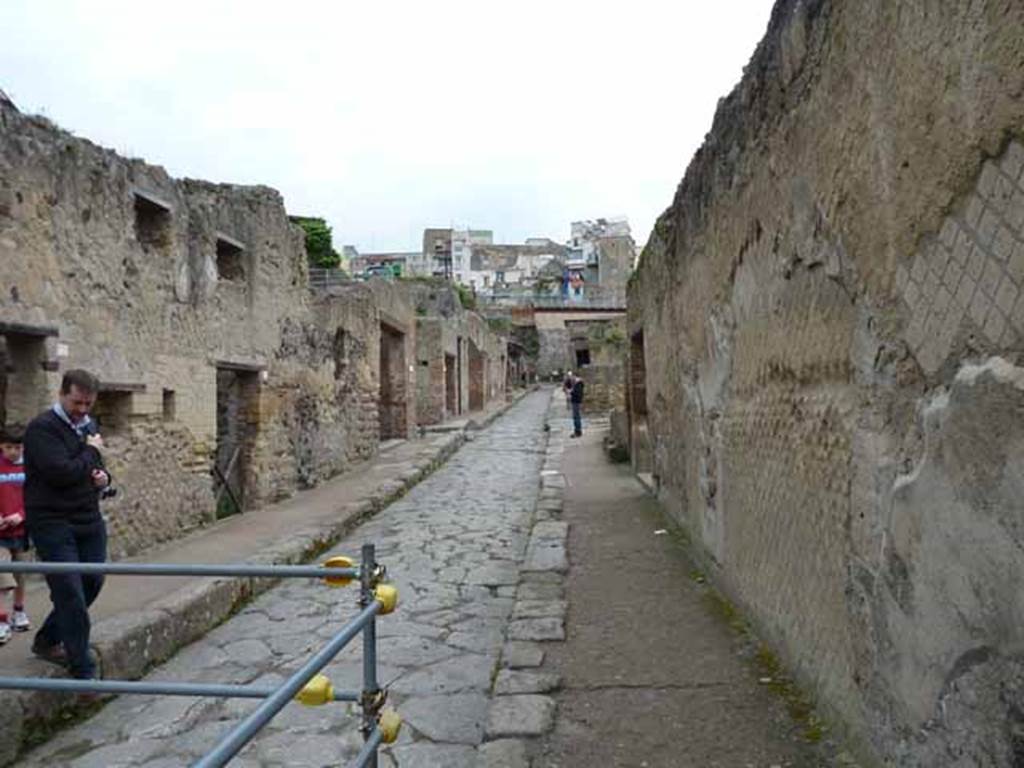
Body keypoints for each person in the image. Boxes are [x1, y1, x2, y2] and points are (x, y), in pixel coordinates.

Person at [24, 369, 110, 680]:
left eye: (88, 404)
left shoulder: (89, 426)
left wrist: (103, 478)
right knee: (69, 591)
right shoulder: (41, 429)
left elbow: (95, 468)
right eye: (77, 403)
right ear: (62, 394)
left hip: (87, 518)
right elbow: (61, 472)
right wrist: (91, 451)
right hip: (52, 521)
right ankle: (83, 671)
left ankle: (47, 639)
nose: (83, 410)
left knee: (92, 582)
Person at [0, 425, 31, 643]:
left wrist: (21, 515)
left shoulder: (29, 468)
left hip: (22, 530)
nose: (13, 452)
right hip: (0, 532)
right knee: (2, 575)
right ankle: (1, 620)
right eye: (8, 447)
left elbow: (36, 497)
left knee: (20, 575)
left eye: (17, 447)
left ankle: (18, 611)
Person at [569, 372, 585, 438]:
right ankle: (577, 431)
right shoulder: (577, 384)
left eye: (573, 376)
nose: (572, 378)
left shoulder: (579, 384)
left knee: (576, 417)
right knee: (576, 417)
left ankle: (578, 431)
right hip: (575, 402)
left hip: (576, 402)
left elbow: (578, 394)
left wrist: (571, 392)